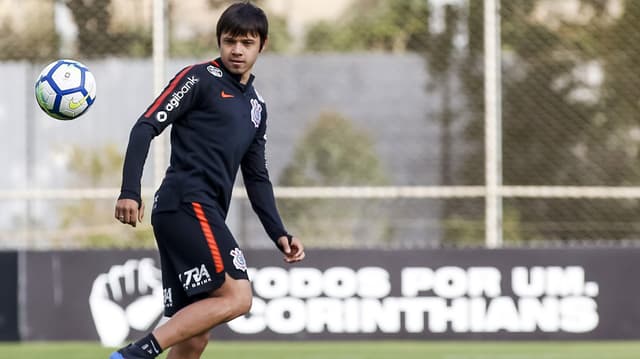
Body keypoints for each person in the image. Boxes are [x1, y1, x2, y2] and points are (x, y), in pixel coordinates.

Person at [110, 2, 305, 359]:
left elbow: (257, 176)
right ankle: (133, 355)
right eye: (230, 40)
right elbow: (145, 127)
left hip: (199, 210)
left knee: (195, 336)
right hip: (186, 202)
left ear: (263, 45)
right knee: (237, 296)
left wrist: (280, 233)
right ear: (219, 40)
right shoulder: (198, 79)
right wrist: (129, 191)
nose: (237, 50)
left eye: (247, 42)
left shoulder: (256, 107)